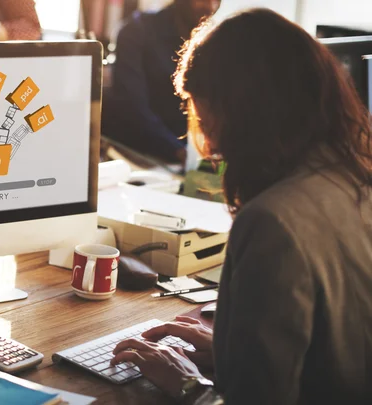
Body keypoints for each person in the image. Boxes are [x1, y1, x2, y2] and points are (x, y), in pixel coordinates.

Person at [110, 8, 372, 405]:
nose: (212, 149)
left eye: (211, 126)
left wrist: (186, 383)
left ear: (247, 116)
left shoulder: (273, 222)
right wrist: (233, 353)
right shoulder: (355, 181)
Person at [102, 0, 221, 162]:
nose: (211, 7)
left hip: (188, 157)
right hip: (139, 156)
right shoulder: (136, 31)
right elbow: (133, 107)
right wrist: (179, 151)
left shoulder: (213, 38)